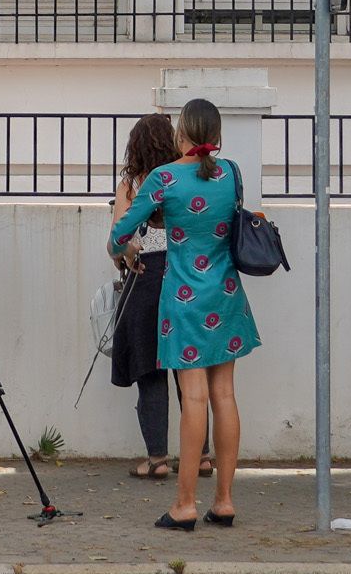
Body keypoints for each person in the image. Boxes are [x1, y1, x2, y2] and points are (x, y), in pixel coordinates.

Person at [107, 97, 260, 531]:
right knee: (225, 396)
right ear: (217, 136)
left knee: (193, 399)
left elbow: (120, 232)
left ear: (182, 135)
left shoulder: (164, 177)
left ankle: (185, 504)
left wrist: (129, 247)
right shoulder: (232, 174)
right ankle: (225, 502)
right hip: (227, 295)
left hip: (185, 300)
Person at [109, 113, 208, 481]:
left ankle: (158, 459)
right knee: (189, 370)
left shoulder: (134, 183)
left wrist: (127, 252)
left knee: (151, 372)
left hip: (147, 278)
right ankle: (201, 457)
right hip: (185, 276)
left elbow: (121, 241)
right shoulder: (185, 176)